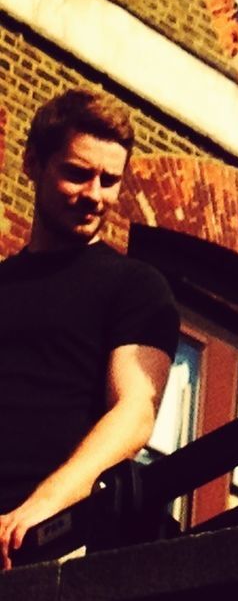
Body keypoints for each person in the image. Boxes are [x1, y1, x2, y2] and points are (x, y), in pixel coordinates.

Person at [0, 90, 179, 569]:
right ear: (33, 164)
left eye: (109, 180)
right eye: (78, 174)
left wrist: (43, 506)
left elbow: (134, 413)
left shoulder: (136, 286)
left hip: (55, 546)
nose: (94, 196)